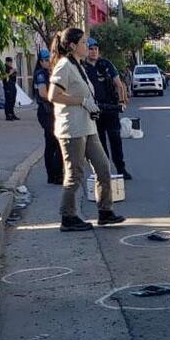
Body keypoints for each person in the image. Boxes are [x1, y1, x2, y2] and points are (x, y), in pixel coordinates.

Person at [48, 27, 126, 232]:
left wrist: (91, 105)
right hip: (72, 128)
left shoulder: (79, 65)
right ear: (72, 46)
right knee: (74, 174)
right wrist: (81, 101)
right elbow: (53, 95)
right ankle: (68, 216)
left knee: (103, 167)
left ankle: (105, 211)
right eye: (83, 43)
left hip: (87, 126)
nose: (87, 46)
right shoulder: (64, 65)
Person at [83, 38, 132, 180]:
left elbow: (118, 84)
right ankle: (105, 171)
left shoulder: (105, 64)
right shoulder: (82, 67)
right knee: (100, 143)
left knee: (116, 139)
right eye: (90, 49)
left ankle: (121, 169)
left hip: (110, 108)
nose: (93, 51)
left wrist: (122, 101)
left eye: (95, 49)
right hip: (94, 109)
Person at [33, 49, 63, 184]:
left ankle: (53, 175)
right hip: (46, 112)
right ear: (40, 62)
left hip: (53, 111)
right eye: (45, 60)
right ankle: (55, 175)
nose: (49, 62)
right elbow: (43, 93)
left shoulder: (51, 73)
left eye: (50, 59)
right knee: (56, 143)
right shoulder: (41, 74)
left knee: (52, 144)